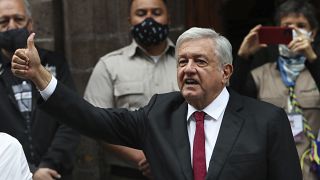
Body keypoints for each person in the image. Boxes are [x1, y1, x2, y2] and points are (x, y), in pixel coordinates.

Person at [12, 27, 302, 180]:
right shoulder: (159, 113)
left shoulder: (266, 120)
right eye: (182, 61)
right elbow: (93, 119)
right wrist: (40, 76)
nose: (188, 69)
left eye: (200, 61)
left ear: (226, 72)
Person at [83, 0, 177, 179]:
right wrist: (141, 158)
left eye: (156, 13)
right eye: (141, 14)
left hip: (184, 170)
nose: (149, 20)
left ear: (168, 18)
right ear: (130, 21)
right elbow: (96, 123)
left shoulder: (187, 64)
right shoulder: (109, 65)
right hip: (128, 173)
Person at [230, 1, 320, 179]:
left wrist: (312, 58)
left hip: (313, 168)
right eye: (287, 27)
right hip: (272, 170)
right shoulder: (260, 75)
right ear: (277, 32)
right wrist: (243, 56)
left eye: (301, 26)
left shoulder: (316, 71)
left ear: (313, 33)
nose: (294, 32)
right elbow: (231, 102)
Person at [0, 0, 79, 179]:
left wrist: (48, 166)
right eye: (3, 22)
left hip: (54, 174)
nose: (11, 26)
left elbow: (71, 117)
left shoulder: (54, 63)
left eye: (18, 19)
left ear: (30, 23)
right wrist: (31, 171)